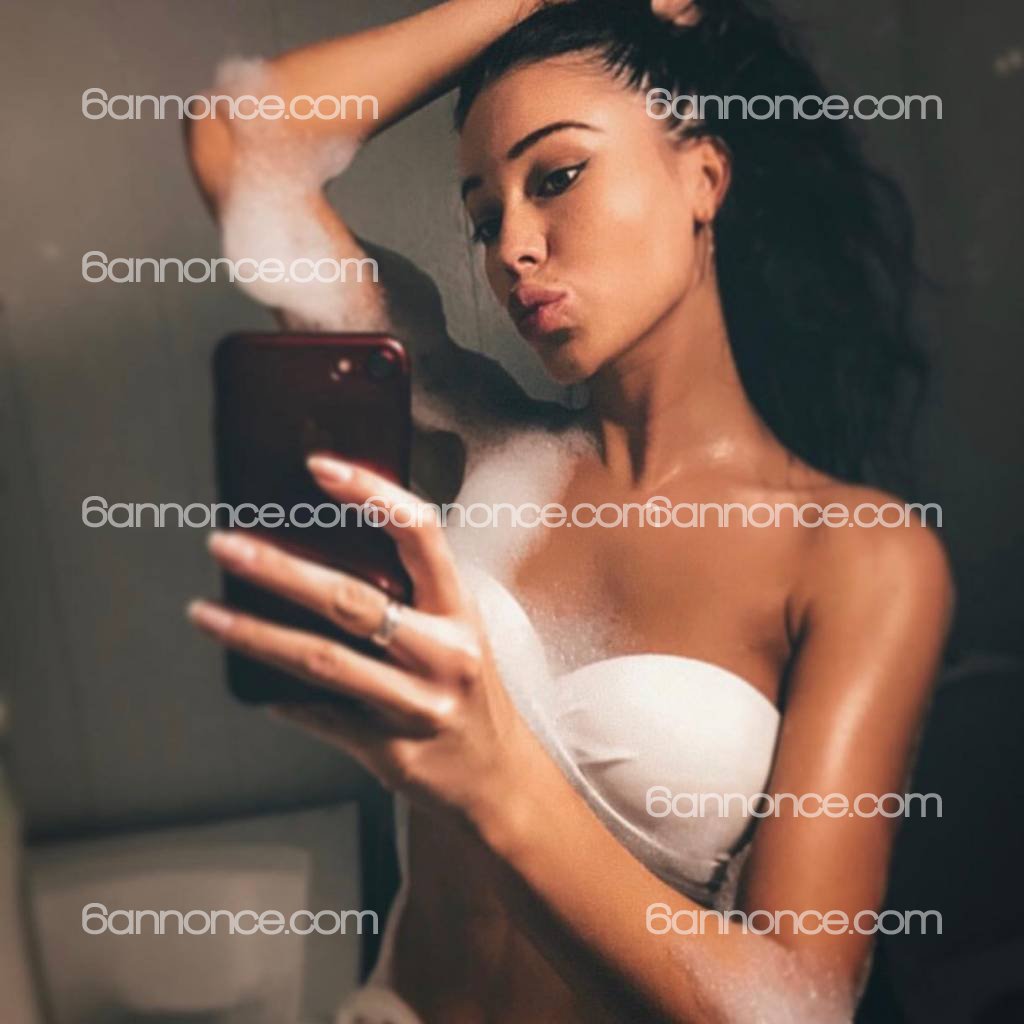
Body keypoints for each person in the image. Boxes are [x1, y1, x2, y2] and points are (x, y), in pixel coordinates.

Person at [184, 1, 954, 1020]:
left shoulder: (859, 557)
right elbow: (240, 142)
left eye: (555, 177)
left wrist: (494, 776)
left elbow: (794, 1009)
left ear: (703, 177)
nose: (511, 247)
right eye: (483, 216)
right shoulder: (474, 440)